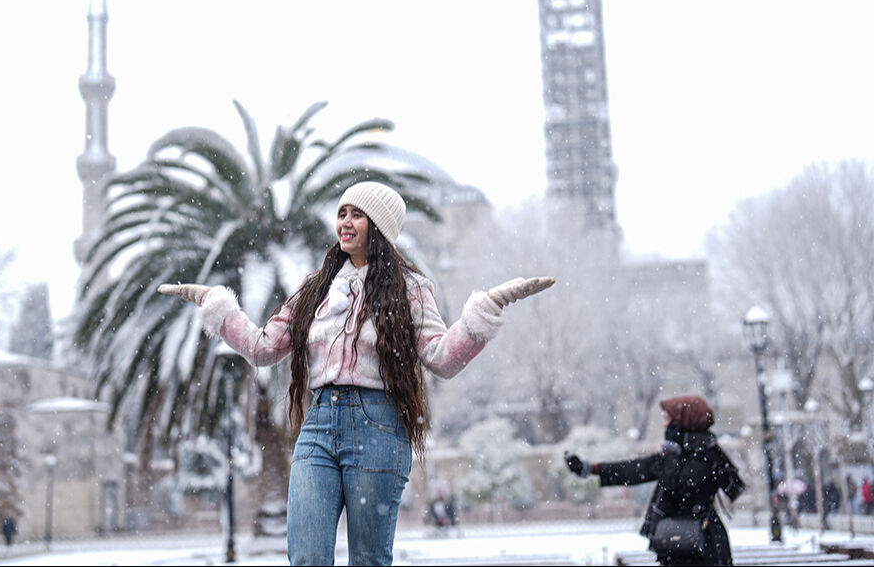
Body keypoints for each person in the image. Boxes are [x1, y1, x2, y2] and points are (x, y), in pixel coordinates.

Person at [159, 181, 555, 566]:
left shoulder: (410, 289)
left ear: (380, 226)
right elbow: (263, 348)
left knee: (369, 559)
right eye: (342, 213)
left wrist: (486, 310)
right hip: (318, 426)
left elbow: (441, 358)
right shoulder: (315, 289)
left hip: (379, 427)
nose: (345, 222)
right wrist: (217, 306)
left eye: (357, 214)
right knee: (308, 556)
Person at [564, 395, 745, 566]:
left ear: (683, 421)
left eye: (668, 419)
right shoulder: (676, 453)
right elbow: (635, 470)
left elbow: (680, 485)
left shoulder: (705, 455)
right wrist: (590, 468)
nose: (664, 424)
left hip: (702, 541)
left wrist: (671, 458)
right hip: (676, 541)